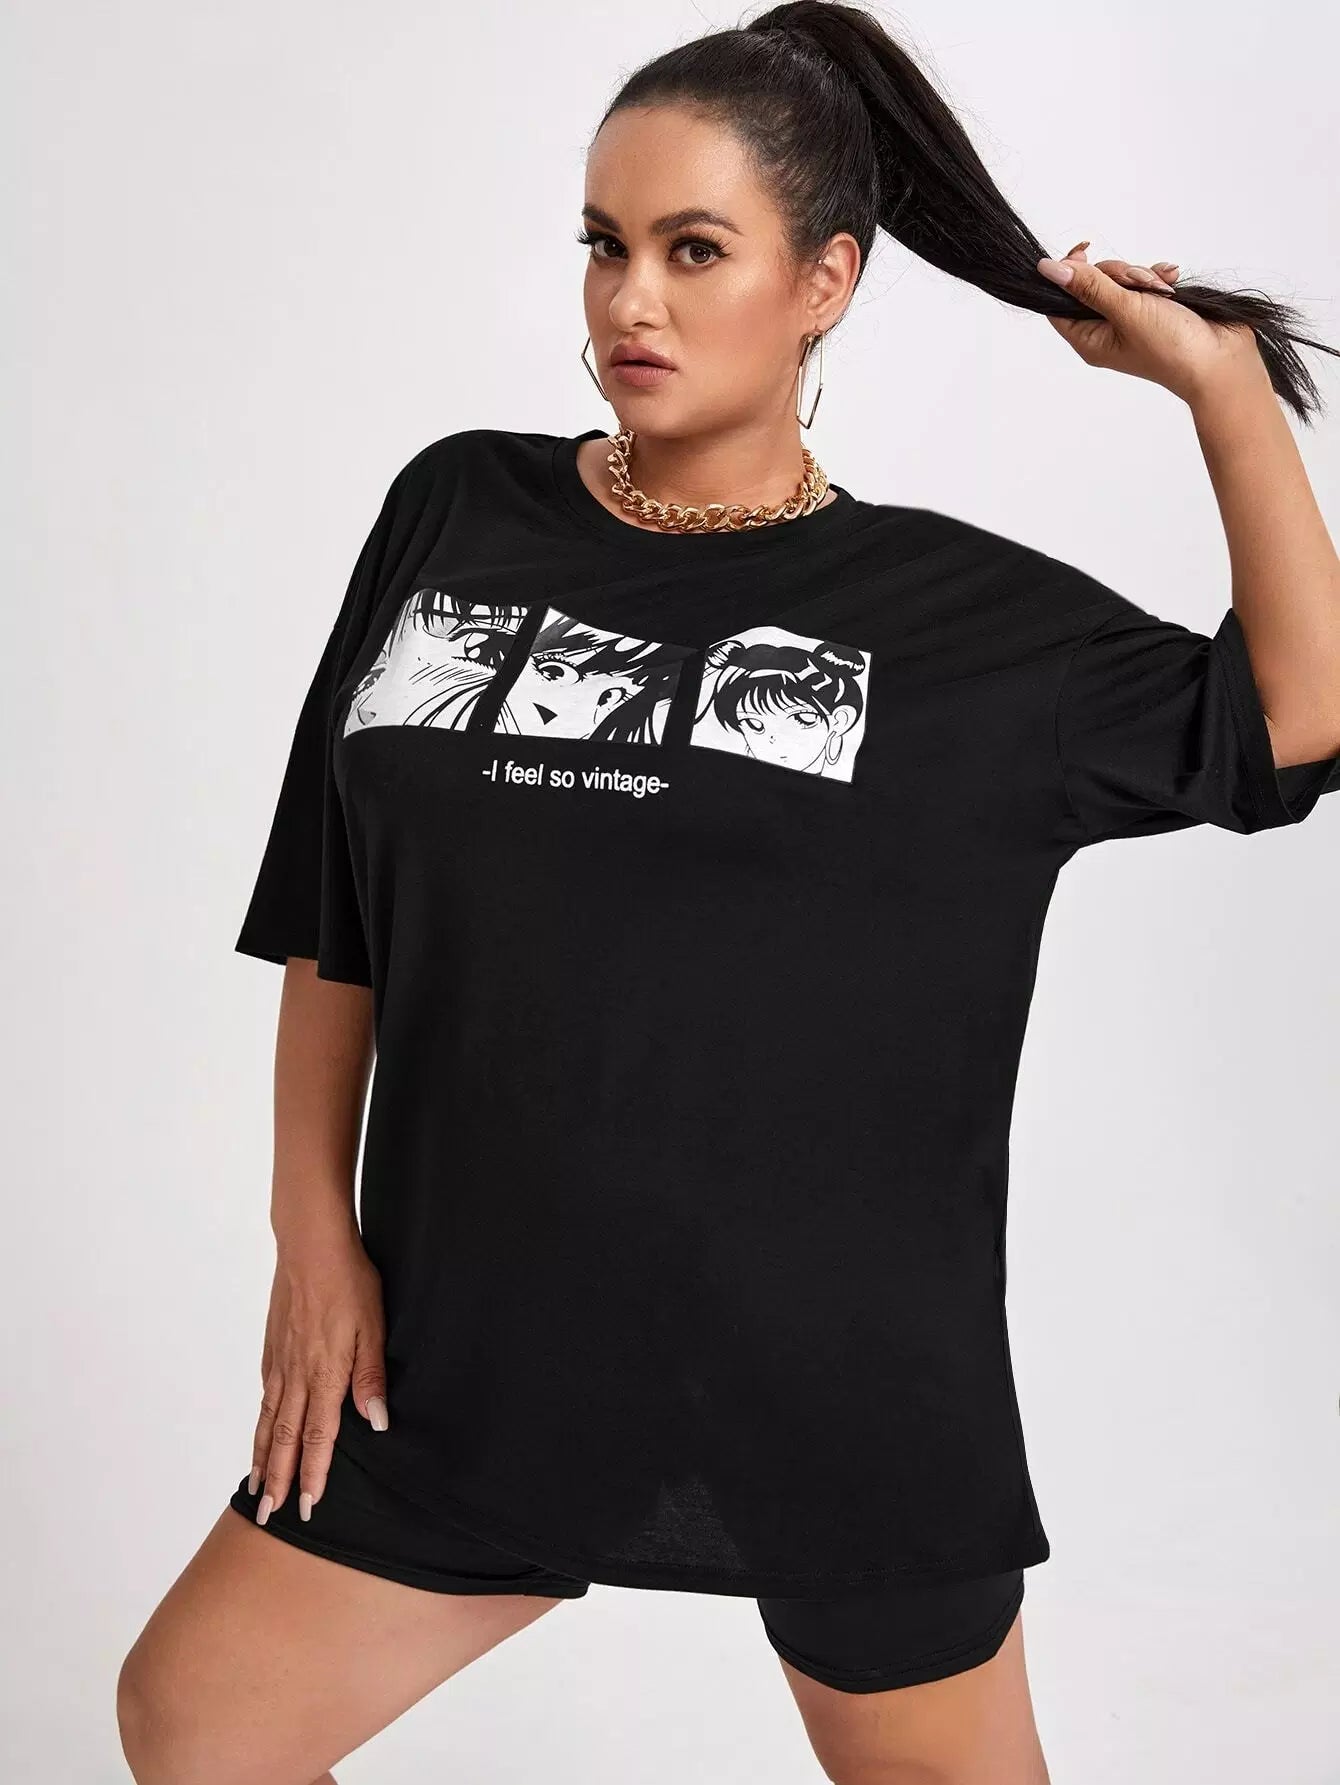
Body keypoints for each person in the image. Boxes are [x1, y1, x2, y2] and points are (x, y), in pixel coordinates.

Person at [116, 5, 1340, 1782]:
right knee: (197, 1716)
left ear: (826, 279)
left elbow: (1298, 720)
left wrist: (1218, 387)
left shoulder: (959, 627)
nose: (632, 300)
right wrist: (312, 1227)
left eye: (697, 250)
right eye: (605, 243)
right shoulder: (457, 507)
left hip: (828, 1385)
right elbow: (334, 899)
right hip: (465, 1354)